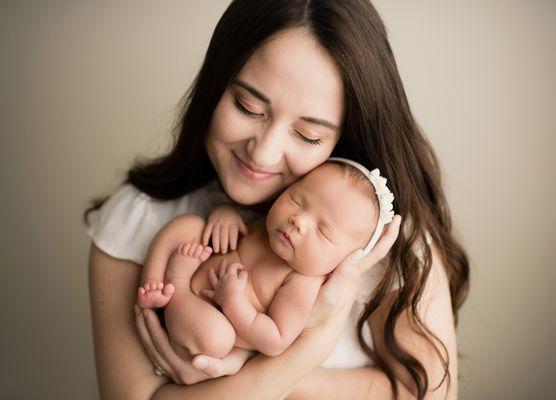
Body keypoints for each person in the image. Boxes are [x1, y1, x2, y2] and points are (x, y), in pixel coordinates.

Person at [85, 0, 469, 398]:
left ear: (344, 137)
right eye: (247, 107)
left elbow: (429, 393)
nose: (263, 153)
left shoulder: (379, 243)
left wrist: (279, 363)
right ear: (214, 85)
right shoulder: (138, 218)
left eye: (307, 135)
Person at [136, 160, 394, 361]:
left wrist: (233, 301)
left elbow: (276, 339)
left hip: (208, 319)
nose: (299, 221)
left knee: (217, 338)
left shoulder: (301, 283)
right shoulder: (268, 227)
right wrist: (224, 215)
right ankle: (154, 285)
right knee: (187, 225)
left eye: (323, 231)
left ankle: (176, 289)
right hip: (194, 277)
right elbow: (230, 230)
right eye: (297, 200)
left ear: (345, 259)